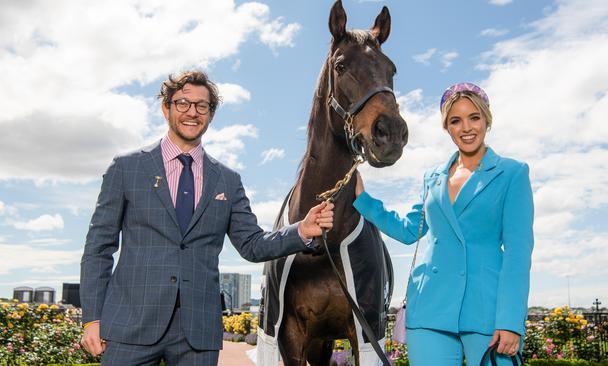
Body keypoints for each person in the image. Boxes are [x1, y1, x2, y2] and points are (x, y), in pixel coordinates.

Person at [80, 70, 334, 366]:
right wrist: (92, 319)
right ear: (166, 107)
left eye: (202, 106)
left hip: (196, 332)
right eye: (183, 103)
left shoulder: (227, 180)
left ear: (210, 114)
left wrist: (301, 230)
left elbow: (252, 244)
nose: (192, 112)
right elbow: (98, 248)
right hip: (129, 325)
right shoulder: (126, 168)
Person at [354, 82, 534, 365]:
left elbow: (518, 255)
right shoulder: (433, 177)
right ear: (446, 127)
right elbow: (409, 230)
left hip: (487, 310)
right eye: (455, 120)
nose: (467, 128)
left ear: (487, 119)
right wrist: (363, 199)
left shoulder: (512, 173)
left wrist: (511, 320)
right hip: (429, 308)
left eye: (474, 117)